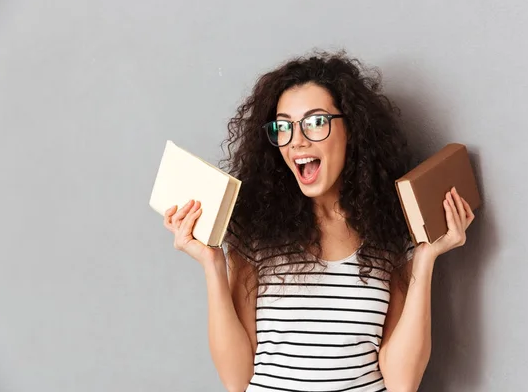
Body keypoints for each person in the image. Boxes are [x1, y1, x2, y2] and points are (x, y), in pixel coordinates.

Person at [162, 51, 475, 392]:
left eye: (315, 122)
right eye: (284, 126)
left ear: (352, 129)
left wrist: (425, 260)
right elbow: (236, 380)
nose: (297, 140)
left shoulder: (390, 230)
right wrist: (212, 264)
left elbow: (402, 382)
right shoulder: (254, 229)